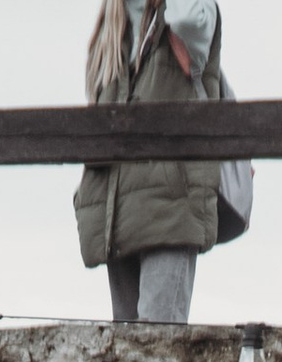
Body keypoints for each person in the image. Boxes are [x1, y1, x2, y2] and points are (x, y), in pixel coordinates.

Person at [77, 1, 228, 325]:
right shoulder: (112, 32)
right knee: (125, 347)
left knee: (157, 343)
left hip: (170, 210)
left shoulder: (191, 13)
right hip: (117, 214)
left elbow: (186, 18)